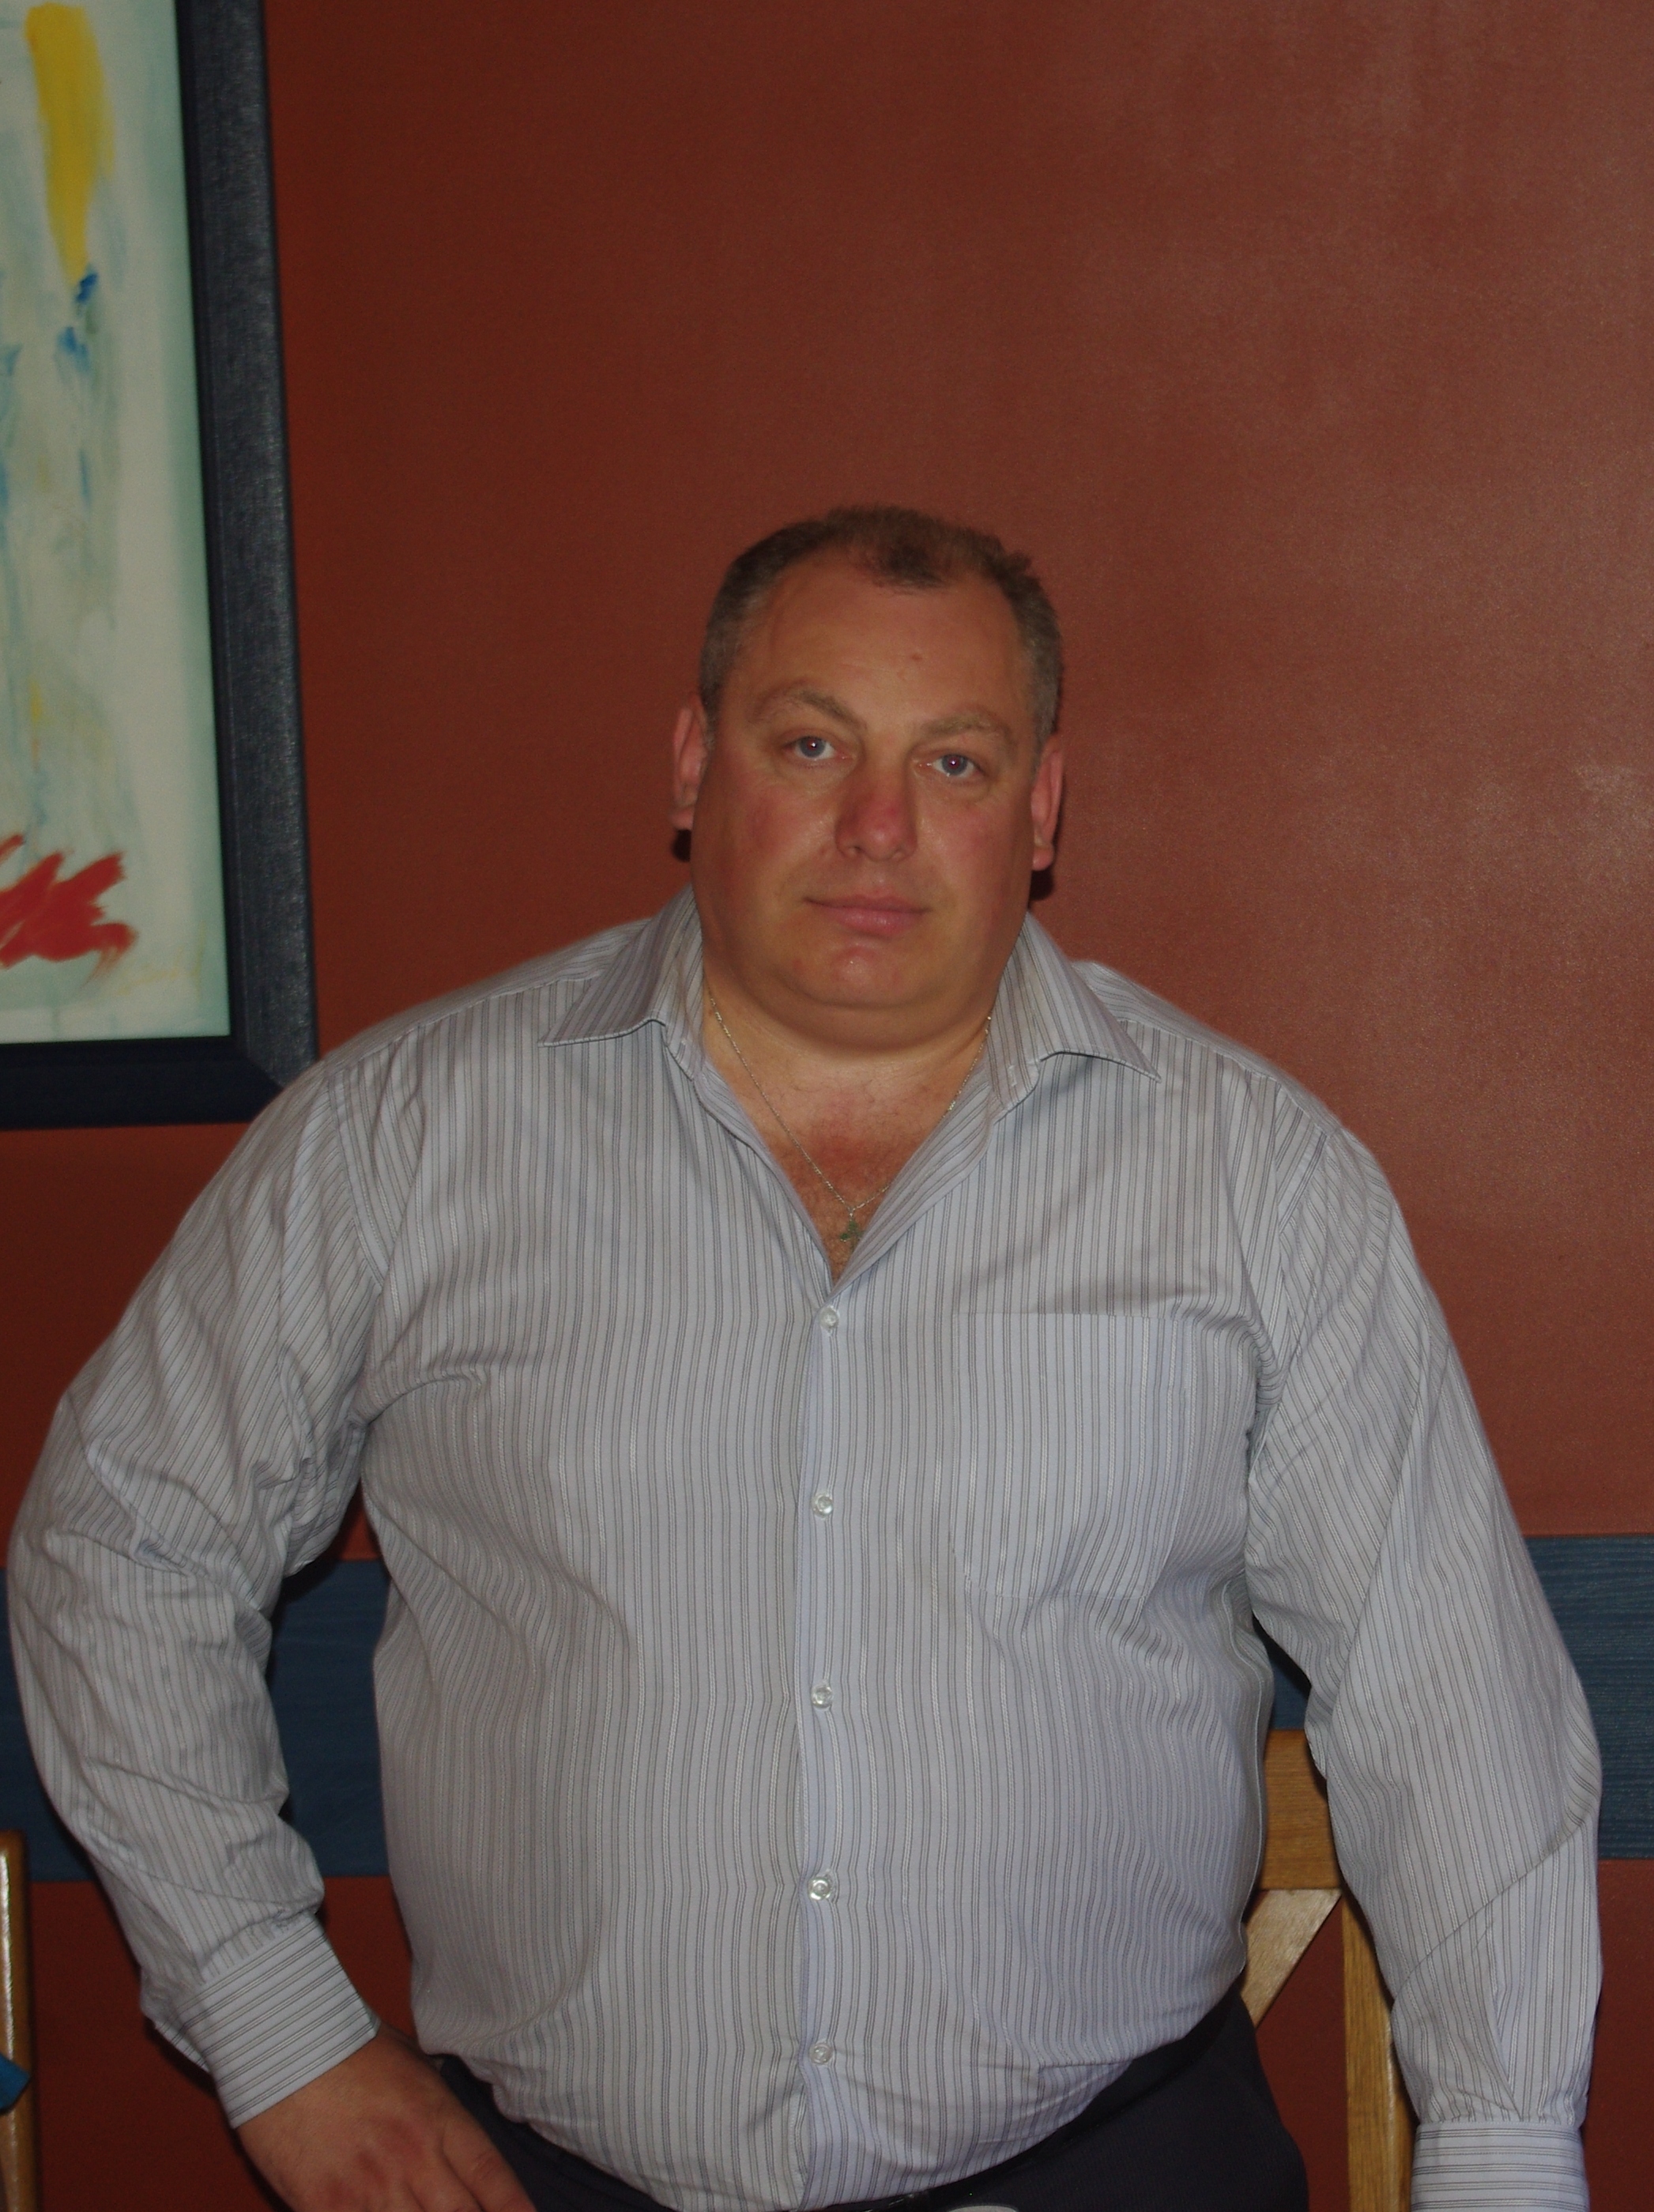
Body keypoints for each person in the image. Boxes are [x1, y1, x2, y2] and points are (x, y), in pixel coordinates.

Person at [10, 507, 1599, 2212]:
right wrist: (278, 2031)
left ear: (1040, 808)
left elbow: (1452, 1701)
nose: (878, 827)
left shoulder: (1255, 1179)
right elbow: (125, 1544)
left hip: (1113, 2161)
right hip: (542, 2177)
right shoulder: (395, 1144)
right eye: (813, 743)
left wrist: (1504, 2162)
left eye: (955, 761)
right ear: (696, 766)